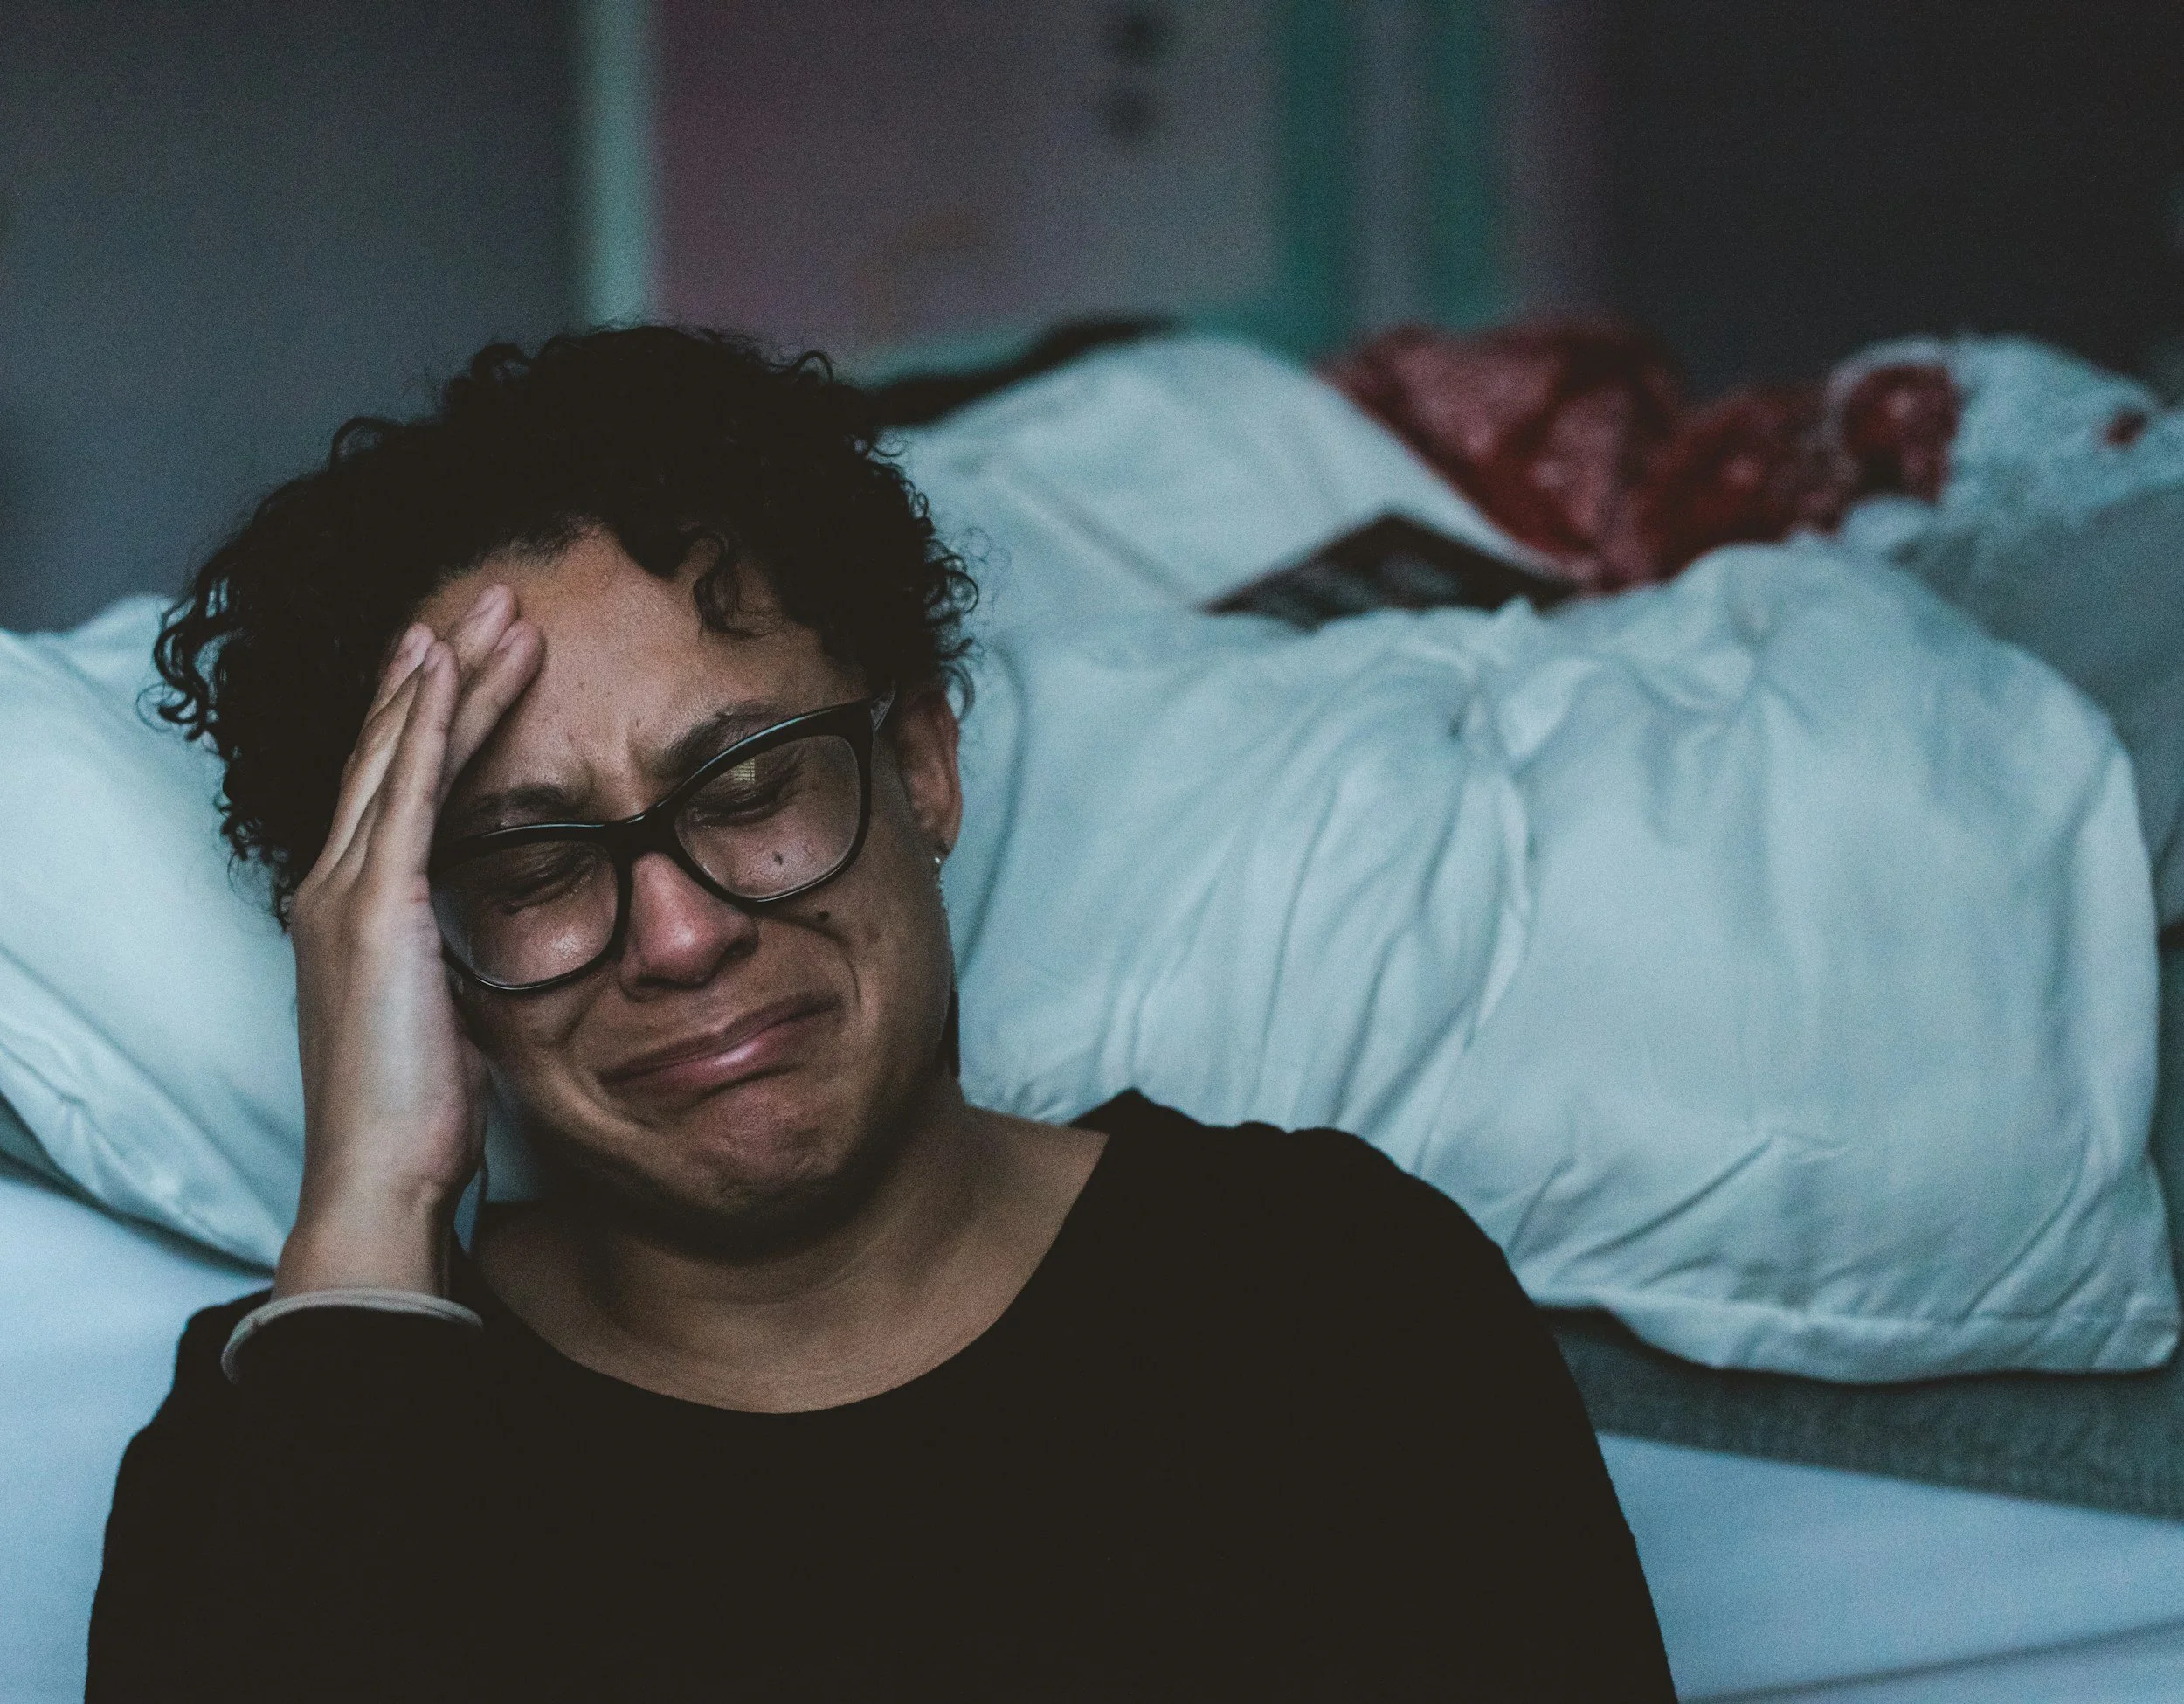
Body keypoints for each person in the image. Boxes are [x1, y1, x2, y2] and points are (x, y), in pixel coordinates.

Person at [88, 328, 1674, 1701]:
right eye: (533, 863)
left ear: (922, 764)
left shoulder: (1335, 1302)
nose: (685, 932)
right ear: (418, 947)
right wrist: (372, 1204)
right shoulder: (289, 1432)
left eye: (755, 784)